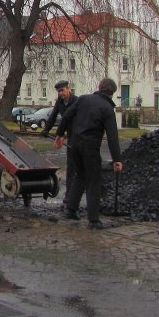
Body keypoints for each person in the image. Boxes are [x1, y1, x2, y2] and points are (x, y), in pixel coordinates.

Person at [54, 78, 123, 229]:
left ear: (99, 88)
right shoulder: (107, 108)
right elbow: (112, 136)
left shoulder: (83, 99)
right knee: (93, 181)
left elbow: (66, 116)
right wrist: (117, 159)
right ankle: (93, 220)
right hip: (89, 148)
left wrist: (59, 135)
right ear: (112, 93)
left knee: (81, 176)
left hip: (74, 145)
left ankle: (71, 210)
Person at [41, 80, 77, 201]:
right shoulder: (59, 103)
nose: (60, 93)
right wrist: (46, 129)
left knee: (80, 165)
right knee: (71, 166)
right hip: (70, 136)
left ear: (68, 89)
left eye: (62, 90)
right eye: (58, 91)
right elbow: (53, 117)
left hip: (79, 135)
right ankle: (69, 195)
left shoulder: (76, 101)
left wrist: (59, 135)